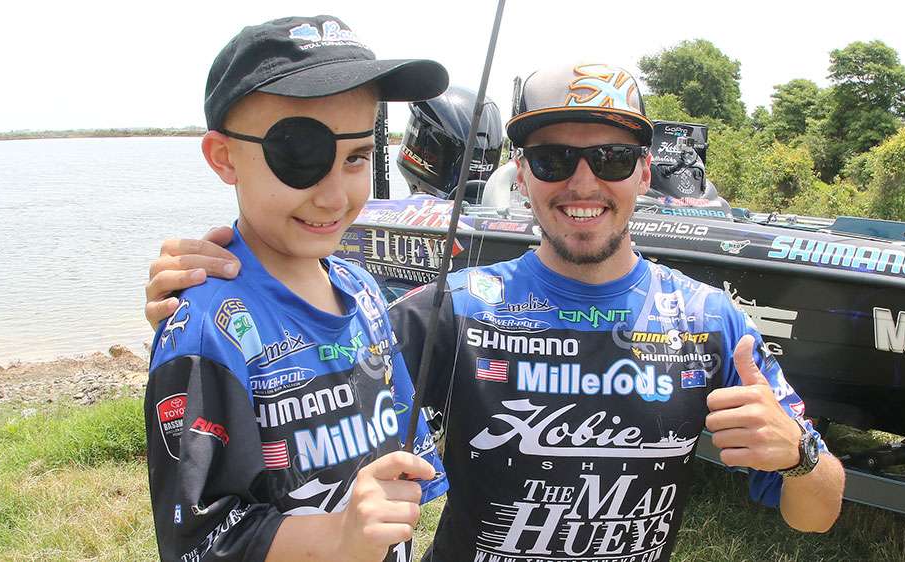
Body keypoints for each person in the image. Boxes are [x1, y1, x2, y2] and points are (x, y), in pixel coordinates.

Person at [145, 63, 845, 561]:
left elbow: (818, 514)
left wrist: (801, 454)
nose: (581, 183)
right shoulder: (457, 307)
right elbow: (305, 358)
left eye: (609, 156)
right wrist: (209, 296)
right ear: (520, 172)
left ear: (643, 169)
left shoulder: (710, 319)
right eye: (550, 159)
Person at [143, 15, 451, 562]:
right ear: (223, 157)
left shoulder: (363, 290)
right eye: (299, 157)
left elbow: (406, 461)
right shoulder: (207, 327)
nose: (334, 197)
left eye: (357, 156)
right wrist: (340, 537)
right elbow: (198, 541)